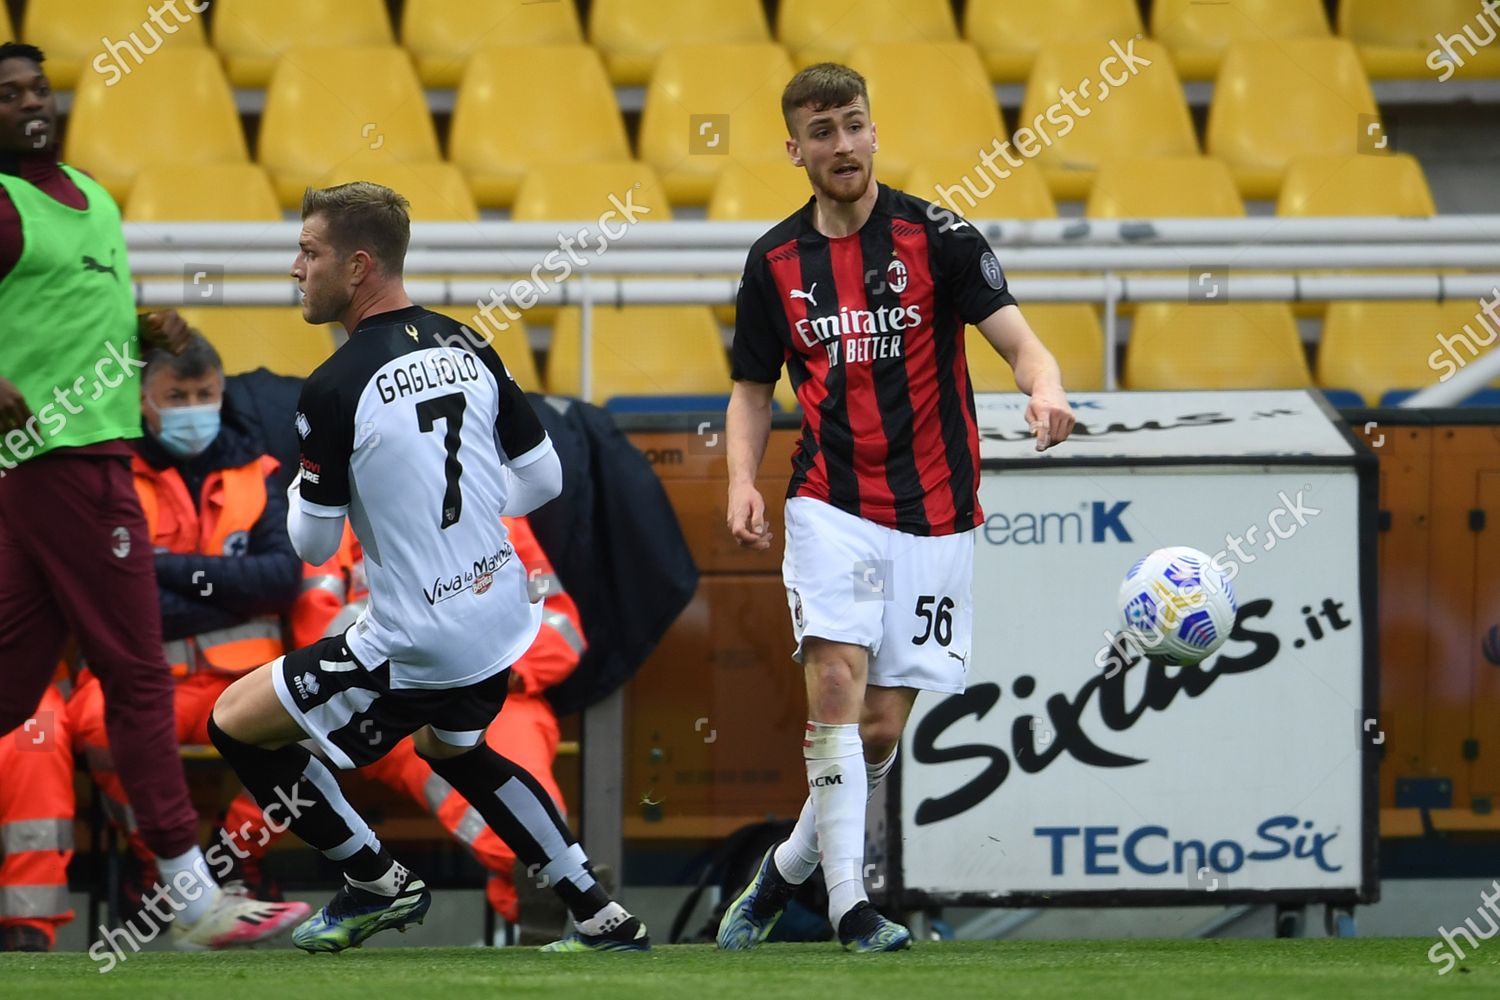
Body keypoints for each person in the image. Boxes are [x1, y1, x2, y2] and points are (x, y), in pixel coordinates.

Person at [207, 181, 649, 953]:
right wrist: (464, 516)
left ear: (359, 266)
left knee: (237, 726)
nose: (294, 269)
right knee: (457, 751)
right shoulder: (467, 343)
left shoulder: (334, 387)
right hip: (497, 618)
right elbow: (544, 478)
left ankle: (375, 879)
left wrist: (297, 486)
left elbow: (312, 549)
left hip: (415, 640)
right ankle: (599, 911)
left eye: (309, 252)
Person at [716, 63, 1077, 953]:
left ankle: (784, 870)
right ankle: (851, 907)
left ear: (875, 131)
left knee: (877, 730)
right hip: (830, 502)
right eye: (823, 131)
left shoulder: (941, 237)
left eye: (854, 124)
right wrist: (739, 480)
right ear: (794, 149)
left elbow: (1020, 341)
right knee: (835, 687)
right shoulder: (774, 263)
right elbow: (752, 389)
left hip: (938, 512)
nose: (842, 144)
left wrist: (1047, 387)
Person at [0, 41, 306, 950]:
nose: (29, 101)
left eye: (36, 86)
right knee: (137, 675)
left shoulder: (89, 194)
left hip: (60, 463)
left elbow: (65, 314)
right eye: (7, 93)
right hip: (71, 460)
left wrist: (145, 330)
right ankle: (189, 896)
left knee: (11, 685)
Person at [225, 514, 585, 941]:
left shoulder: (493, 506)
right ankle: (552, 891)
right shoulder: (330, 519)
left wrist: (506, 668)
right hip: (389, 696)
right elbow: (317, 633)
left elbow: (559, 622)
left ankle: (543, 896)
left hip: (502, 687)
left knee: (524, 780)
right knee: (459, 774)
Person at [66, 334, 312, 919]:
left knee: (320, 717)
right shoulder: (112, 472)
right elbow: (110, 593)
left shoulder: (261, 469)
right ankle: (161, 867)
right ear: (143, 400)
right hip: (141, 677)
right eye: (176, 395)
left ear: (223, 394)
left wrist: (161, 568)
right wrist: (228, 587)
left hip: (243, 682)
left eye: (205, 393)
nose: (193, 406)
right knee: (95, 723)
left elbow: (281, 581)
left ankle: (233, 862)